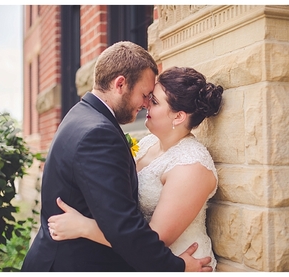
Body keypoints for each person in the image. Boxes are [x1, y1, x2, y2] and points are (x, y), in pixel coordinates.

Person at [20, 41, 212, 272]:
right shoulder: (98, 133)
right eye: (145, 95)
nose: (145, 105)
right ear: (120, 84)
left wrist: (85, 226)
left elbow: (123, 221)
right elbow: (123, 226)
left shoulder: (81, 114)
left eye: (153, 99)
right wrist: (178, 267)